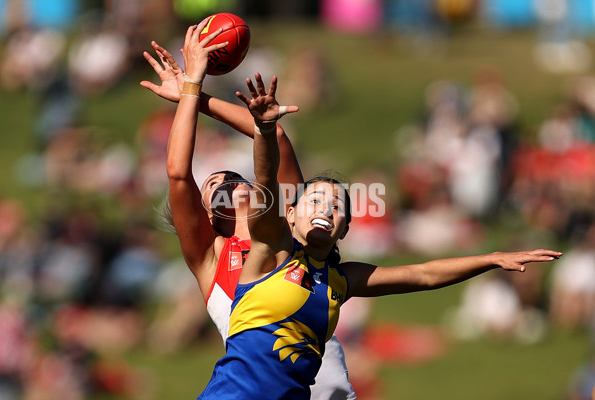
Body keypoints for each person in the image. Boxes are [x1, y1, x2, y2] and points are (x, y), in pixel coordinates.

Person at [194, 45, 564, 400]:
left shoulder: (341, 280)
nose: (325, 207)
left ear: (346, 229)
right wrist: (202, 101)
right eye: (316, 199)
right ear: (289, 213)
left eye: (336, 205)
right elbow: (266, 173)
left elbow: (423, 275)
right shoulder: (269, 251)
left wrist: (491, 258)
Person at [140, 20, 357, 399]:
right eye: (213, 183)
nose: (227, 180)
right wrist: (190, 84)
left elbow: (277, 138)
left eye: (233, 176)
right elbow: (177, 173)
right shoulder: (212, 258)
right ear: (207, 214)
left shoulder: (290, 224)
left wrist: (197, 96)